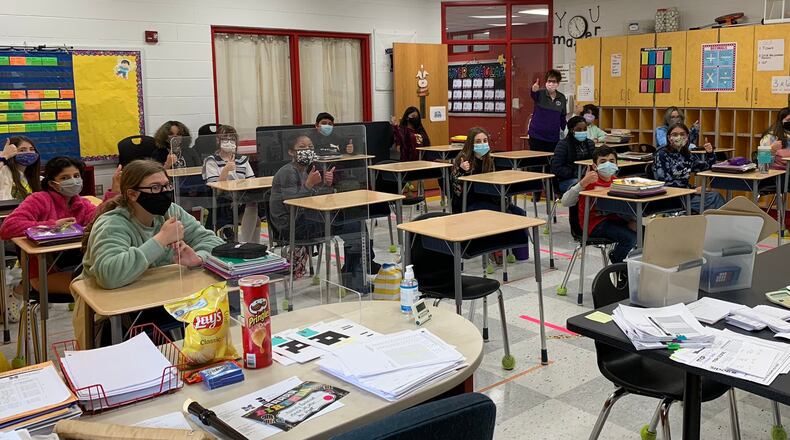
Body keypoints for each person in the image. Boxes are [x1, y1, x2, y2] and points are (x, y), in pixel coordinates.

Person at [75, 159, 223, 347]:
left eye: (167, 186)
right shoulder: (112, 224)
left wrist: (198, 257)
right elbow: (109, 274)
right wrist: (160, 240)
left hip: (158, 301)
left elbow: (214, 243)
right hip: (117, 313)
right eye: (154, 188)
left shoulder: (171, 212)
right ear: (132, 194)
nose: (164, 193)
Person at [269, 134, 375, 291]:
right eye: (302, 147)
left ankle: (358, 269)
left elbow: (314, 200)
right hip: (292, 227)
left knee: (355, 220)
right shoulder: (287, 172)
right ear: (291, 152)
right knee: (353, 225)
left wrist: (326, 184)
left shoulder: (305, 171)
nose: (308, 150)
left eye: (310, 147)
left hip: (307, 219)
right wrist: (310, 185)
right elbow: (292, 204)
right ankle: (356, 275)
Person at [0, 157, 115, 295]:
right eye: (65, 177)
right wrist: (52, 225)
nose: (73, 181)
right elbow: (8, 228)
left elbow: (100, 219)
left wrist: (114, 192)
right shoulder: (39, 199)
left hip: (78, 265)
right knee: (99, 290)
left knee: (111, 282)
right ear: (53, 184)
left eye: (76, 176)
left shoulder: (81, 203)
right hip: (45, 273)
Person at [450, 127, 529, 259]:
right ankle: (497, 248)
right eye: (478, 141)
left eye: (485, 140)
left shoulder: (490, 160)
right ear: (471, 143)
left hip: (489, 199)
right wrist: (462, 171)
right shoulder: (463, 159)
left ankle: (518, 253)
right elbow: (456, 188)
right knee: (504, 215)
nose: (482, 144)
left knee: (520, 214)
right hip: (469, 203)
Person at [561, 146, 637, 263]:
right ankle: (617, 263)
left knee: (645, 231)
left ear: (617, 164)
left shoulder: (617, 182)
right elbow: (565, 201)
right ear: (595, 166)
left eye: (612, 161)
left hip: (615, 219)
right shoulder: (589, 182)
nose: (608, 164)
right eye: (603, 161)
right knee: (630, 238)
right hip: (594, 224)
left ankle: (633, 265)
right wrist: (582, 183)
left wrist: (633, 220)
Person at [202, 124, 261, 243]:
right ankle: (245, 245)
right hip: (221, 202)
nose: (229, 142)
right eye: (225, 139)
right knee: (253, 211)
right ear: (218, 140)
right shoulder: (211, 161)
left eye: (232, 139)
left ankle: (251, 247)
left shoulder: (243, 159)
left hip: (242, 199)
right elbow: (215, 188)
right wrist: (226, 170)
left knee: (254, 208)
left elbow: (252, 181)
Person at [653, 123, 724, 213]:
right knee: (714, 200)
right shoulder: (662, 155)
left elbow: (706, 167)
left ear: (687, 137)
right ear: (668, 138)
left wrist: (710, 153)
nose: (679, 137)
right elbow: (665, 182)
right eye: (675, 134)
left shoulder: (686, 154)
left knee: (715, 196)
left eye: (682, 134)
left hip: (687, 193)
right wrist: (693, 190)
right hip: (672, 197)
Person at [551, 116, 596, 193]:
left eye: (584, 129)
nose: (582, 131)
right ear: (572, 130)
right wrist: (576, 173)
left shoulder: (590, 143)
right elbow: (557, 167)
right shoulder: (563, 144)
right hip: (567, 180)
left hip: (586, 177)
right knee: (583, 184)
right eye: (579, 129)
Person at [527, 69, 567, 153]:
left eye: (554, 81)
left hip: (553, 137)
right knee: (537, 162)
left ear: (558, 83)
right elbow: (533, 95)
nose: (551, 84)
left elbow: (562, 117)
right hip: (537, 136)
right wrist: (534, 90)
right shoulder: (540, 93)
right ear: (546, 82)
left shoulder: (562, 97)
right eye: (549, 81)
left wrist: (564, 131)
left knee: (550, 162)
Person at [0, 136, 41, 201]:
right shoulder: (3, 171)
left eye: (32, 149)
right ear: (12, 153)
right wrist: (4, 156)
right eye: (22, 150)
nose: (29, 152)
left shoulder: (36, 178)